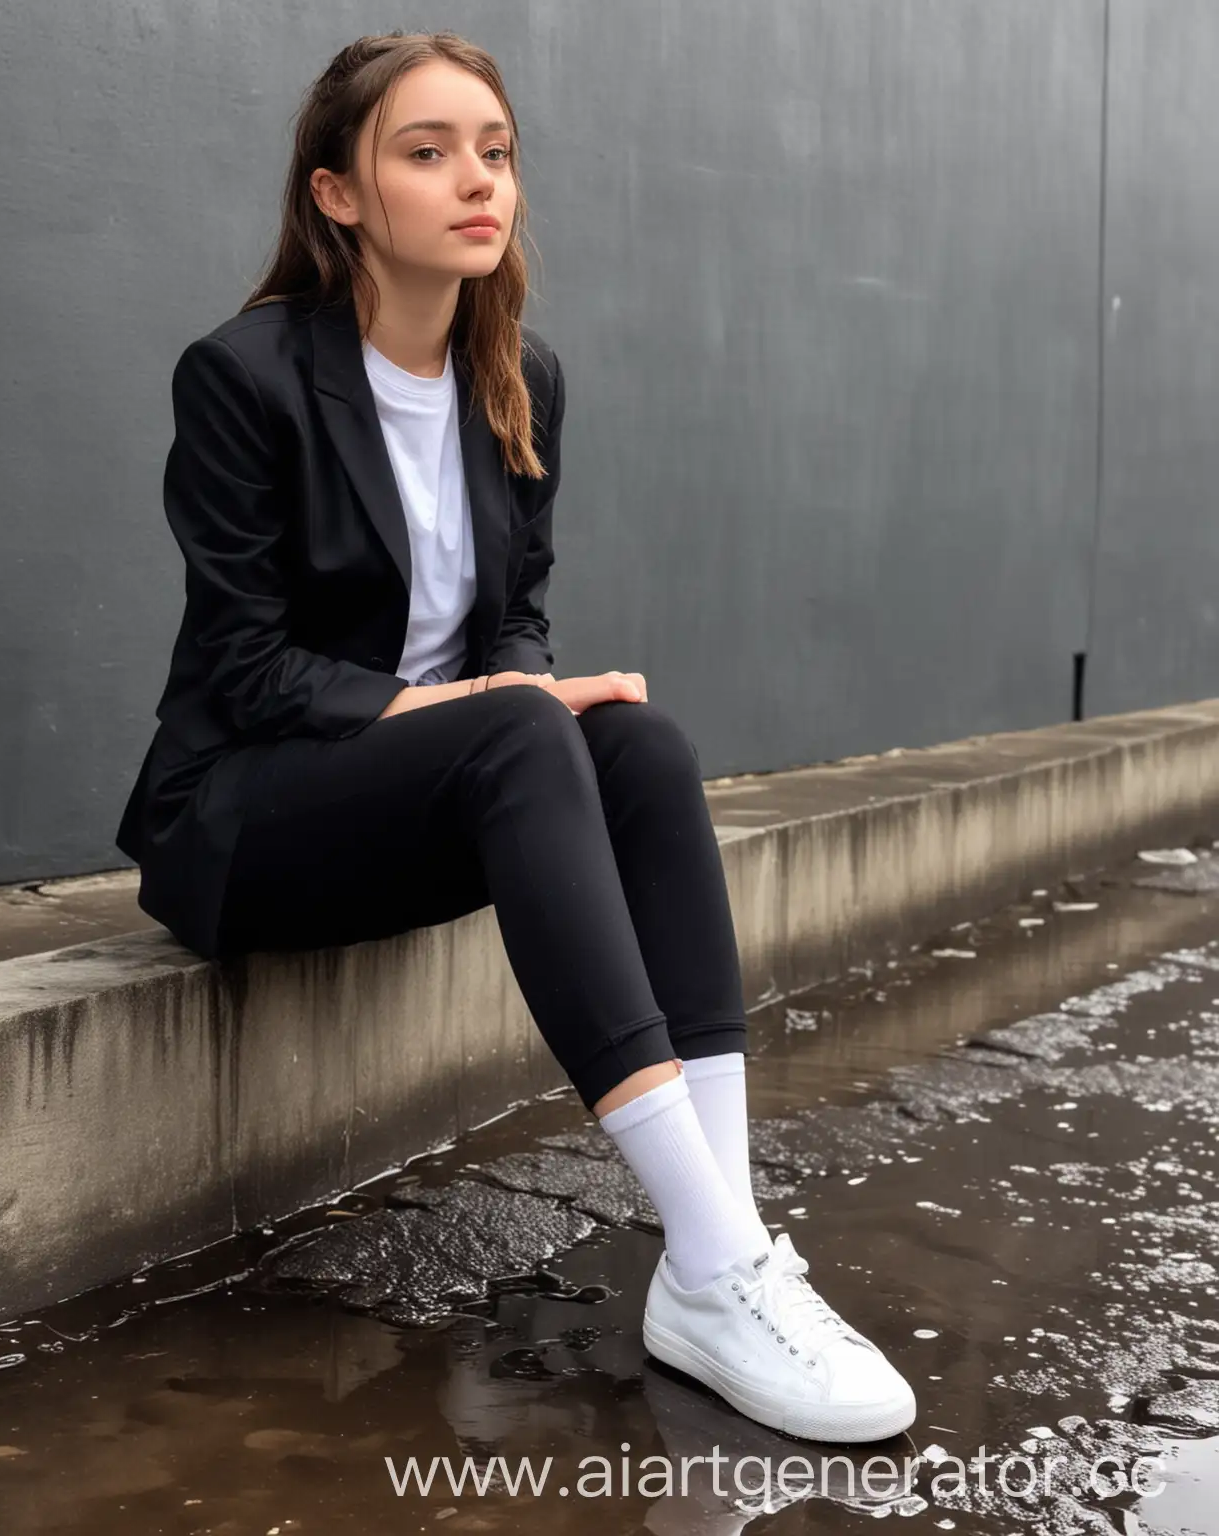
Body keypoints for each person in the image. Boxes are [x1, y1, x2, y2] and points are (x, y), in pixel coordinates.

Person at [115, 29, 916, 1444]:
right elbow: (247, 672)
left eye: (495, 150)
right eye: (426, 152)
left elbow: (513, 623)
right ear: (339, 194)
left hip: (430, 793)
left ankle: (713, 1254)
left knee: (639, 747)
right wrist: (484, 708)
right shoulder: (241, 378)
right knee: (524, 735)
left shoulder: (519, 377)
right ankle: (727, 1267)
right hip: (242, 827)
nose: (476, 180)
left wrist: (517, 693)